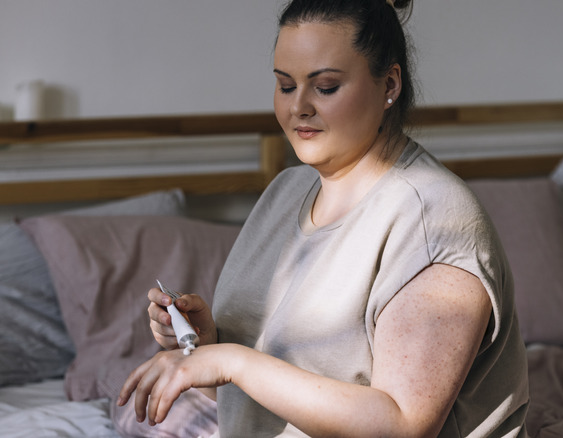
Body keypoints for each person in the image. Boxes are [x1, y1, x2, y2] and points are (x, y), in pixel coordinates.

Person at [118, 0, 529, 436]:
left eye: (326, 87)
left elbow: (402, 426)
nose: (299, 107)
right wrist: (207, 347)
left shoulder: (435, 222)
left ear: (389, 84)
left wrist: (232, 361)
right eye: (285, 85)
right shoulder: (285, 191)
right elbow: (265, 398)